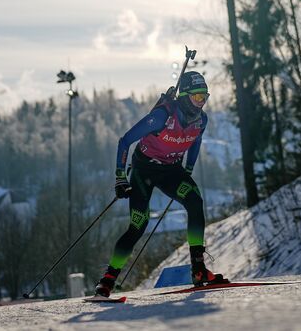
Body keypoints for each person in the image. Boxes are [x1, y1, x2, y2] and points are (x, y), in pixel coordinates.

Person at [94, 71, 225, 297]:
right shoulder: (162, 116)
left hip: (170, 170)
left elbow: (196, 142)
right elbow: (125, 141)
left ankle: (199, 269)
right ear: (184, 96)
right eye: (196, 97)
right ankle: (108, 279)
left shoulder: (201, 120)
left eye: (205, 97)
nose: (201, 103)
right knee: (138, 224)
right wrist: (120, 177)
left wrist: (188, 171)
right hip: (144, 170)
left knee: (194, 201)